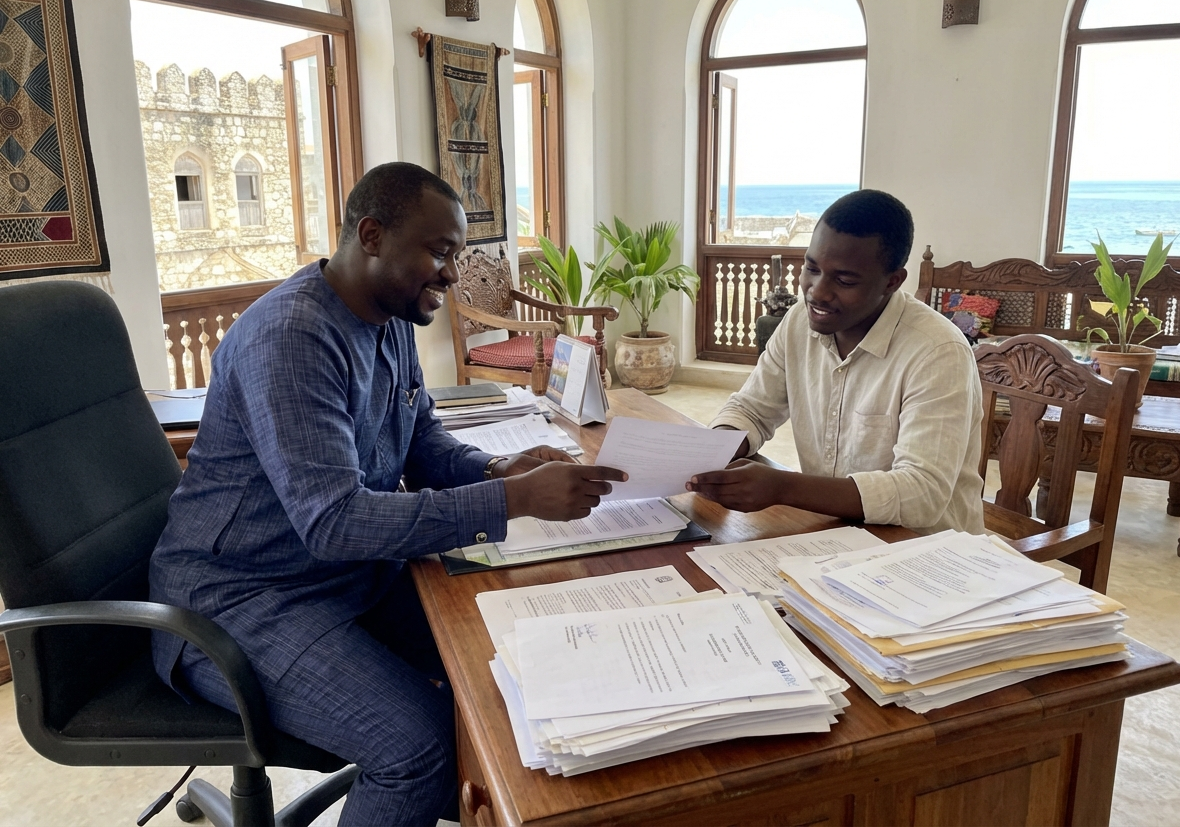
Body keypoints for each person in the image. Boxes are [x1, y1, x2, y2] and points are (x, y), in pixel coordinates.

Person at [150, 162, 626, 826]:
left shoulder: (393, 315)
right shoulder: (292, 338)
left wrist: (502, 471)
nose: (452, 276)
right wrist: (515, 502)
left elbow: (425, 448)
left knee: (507, 667)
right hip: (239, 600)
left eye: (456, 255)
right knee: (419, 746)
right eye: (439, 252)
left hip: (344, 579)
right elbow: (335, 523)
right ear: (371, 235)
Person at [686, 189, 984, 535]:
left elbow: (921, 495)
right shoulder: (798, 322)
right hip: (834, 536)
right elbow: (752, 409)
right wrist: (715, 451)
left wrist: (783, 487)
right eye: (811, 268)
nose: (817, 291)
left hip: (926, 557)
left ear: (892, 281)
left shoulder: (937, 352)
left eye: (844, 280)